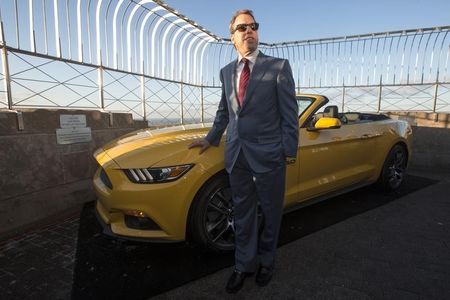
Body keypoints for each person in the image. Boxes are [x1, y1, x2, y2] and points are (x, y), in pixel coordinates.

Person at [188, 9, 298, 293]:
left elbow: (289, 114)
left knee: (271, 213)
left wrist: (288, 150)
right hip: (237, 155)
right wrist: (211, 139)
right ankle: (243, 265)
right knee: (243, 213)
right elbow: (225, 111)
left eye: (253, 26)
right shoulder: (226, 72)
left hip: (270, 155)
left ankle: (267, 261)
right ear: (232, 36)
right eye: (242, 28)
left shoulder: (279, 66)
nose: (249, 31)